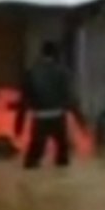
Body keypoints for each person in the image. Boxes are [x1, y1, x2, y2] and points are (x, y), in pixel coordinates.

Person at [15, 41, 83, 169]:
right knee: (62, 157)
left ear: (42, 53)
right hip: (58, 118)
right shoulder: (63, 73)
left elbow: (24, 100)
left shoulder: (31, 72)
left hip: (40, 119)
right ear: (56, 55)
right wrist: (81, 122)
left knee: (32, 159)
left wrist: (19, 124)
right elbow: (71, 99)